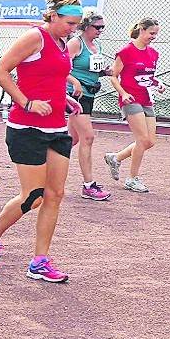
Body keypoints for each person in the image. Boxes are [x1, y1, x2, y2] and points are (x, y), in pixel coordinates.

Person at [0, 0, 84, 282]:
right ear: (54, 16)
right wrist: (26, 103)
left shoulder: (63, 43)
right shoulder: (35, 37)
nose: (73, 29)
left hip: (56, 127)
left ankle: (39, 261)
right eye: (69, 23)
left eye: (76, 24)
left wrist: (63, 98)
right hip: (26, 128)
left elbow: (49, 77)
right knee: (34, 196)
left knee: (55, 194)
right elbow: (0, 71)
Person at [104, 18, 164, 193]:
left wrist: (158, 84)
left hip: (146, 99)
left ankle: (116, 158)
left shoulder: (153, 53)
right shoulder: (126, 51)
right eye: (151, 33)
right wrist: (123, 93)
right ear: (142, 30)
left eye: (156, 34)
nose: (153, 37)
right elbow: (114, 76)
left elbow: (148, 77)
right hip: (130, 99)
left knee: (150, 141)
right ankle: (132, 179)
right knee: (142, 140)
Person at [66, 11, 111, 201]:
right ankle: (88, 185)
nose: (100, 30)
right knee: (88, 137)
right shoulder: (75, 43)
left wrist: (105, 72)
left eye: (102, 27)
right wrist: (74, 82)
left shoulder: (97, 45)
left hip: (90, 94)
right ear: (86, 26)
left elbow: (92, 70)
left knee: (70, 140)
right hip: (76, 96)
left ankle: (47, 168)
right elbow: (61, 68)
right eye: (97, 27)